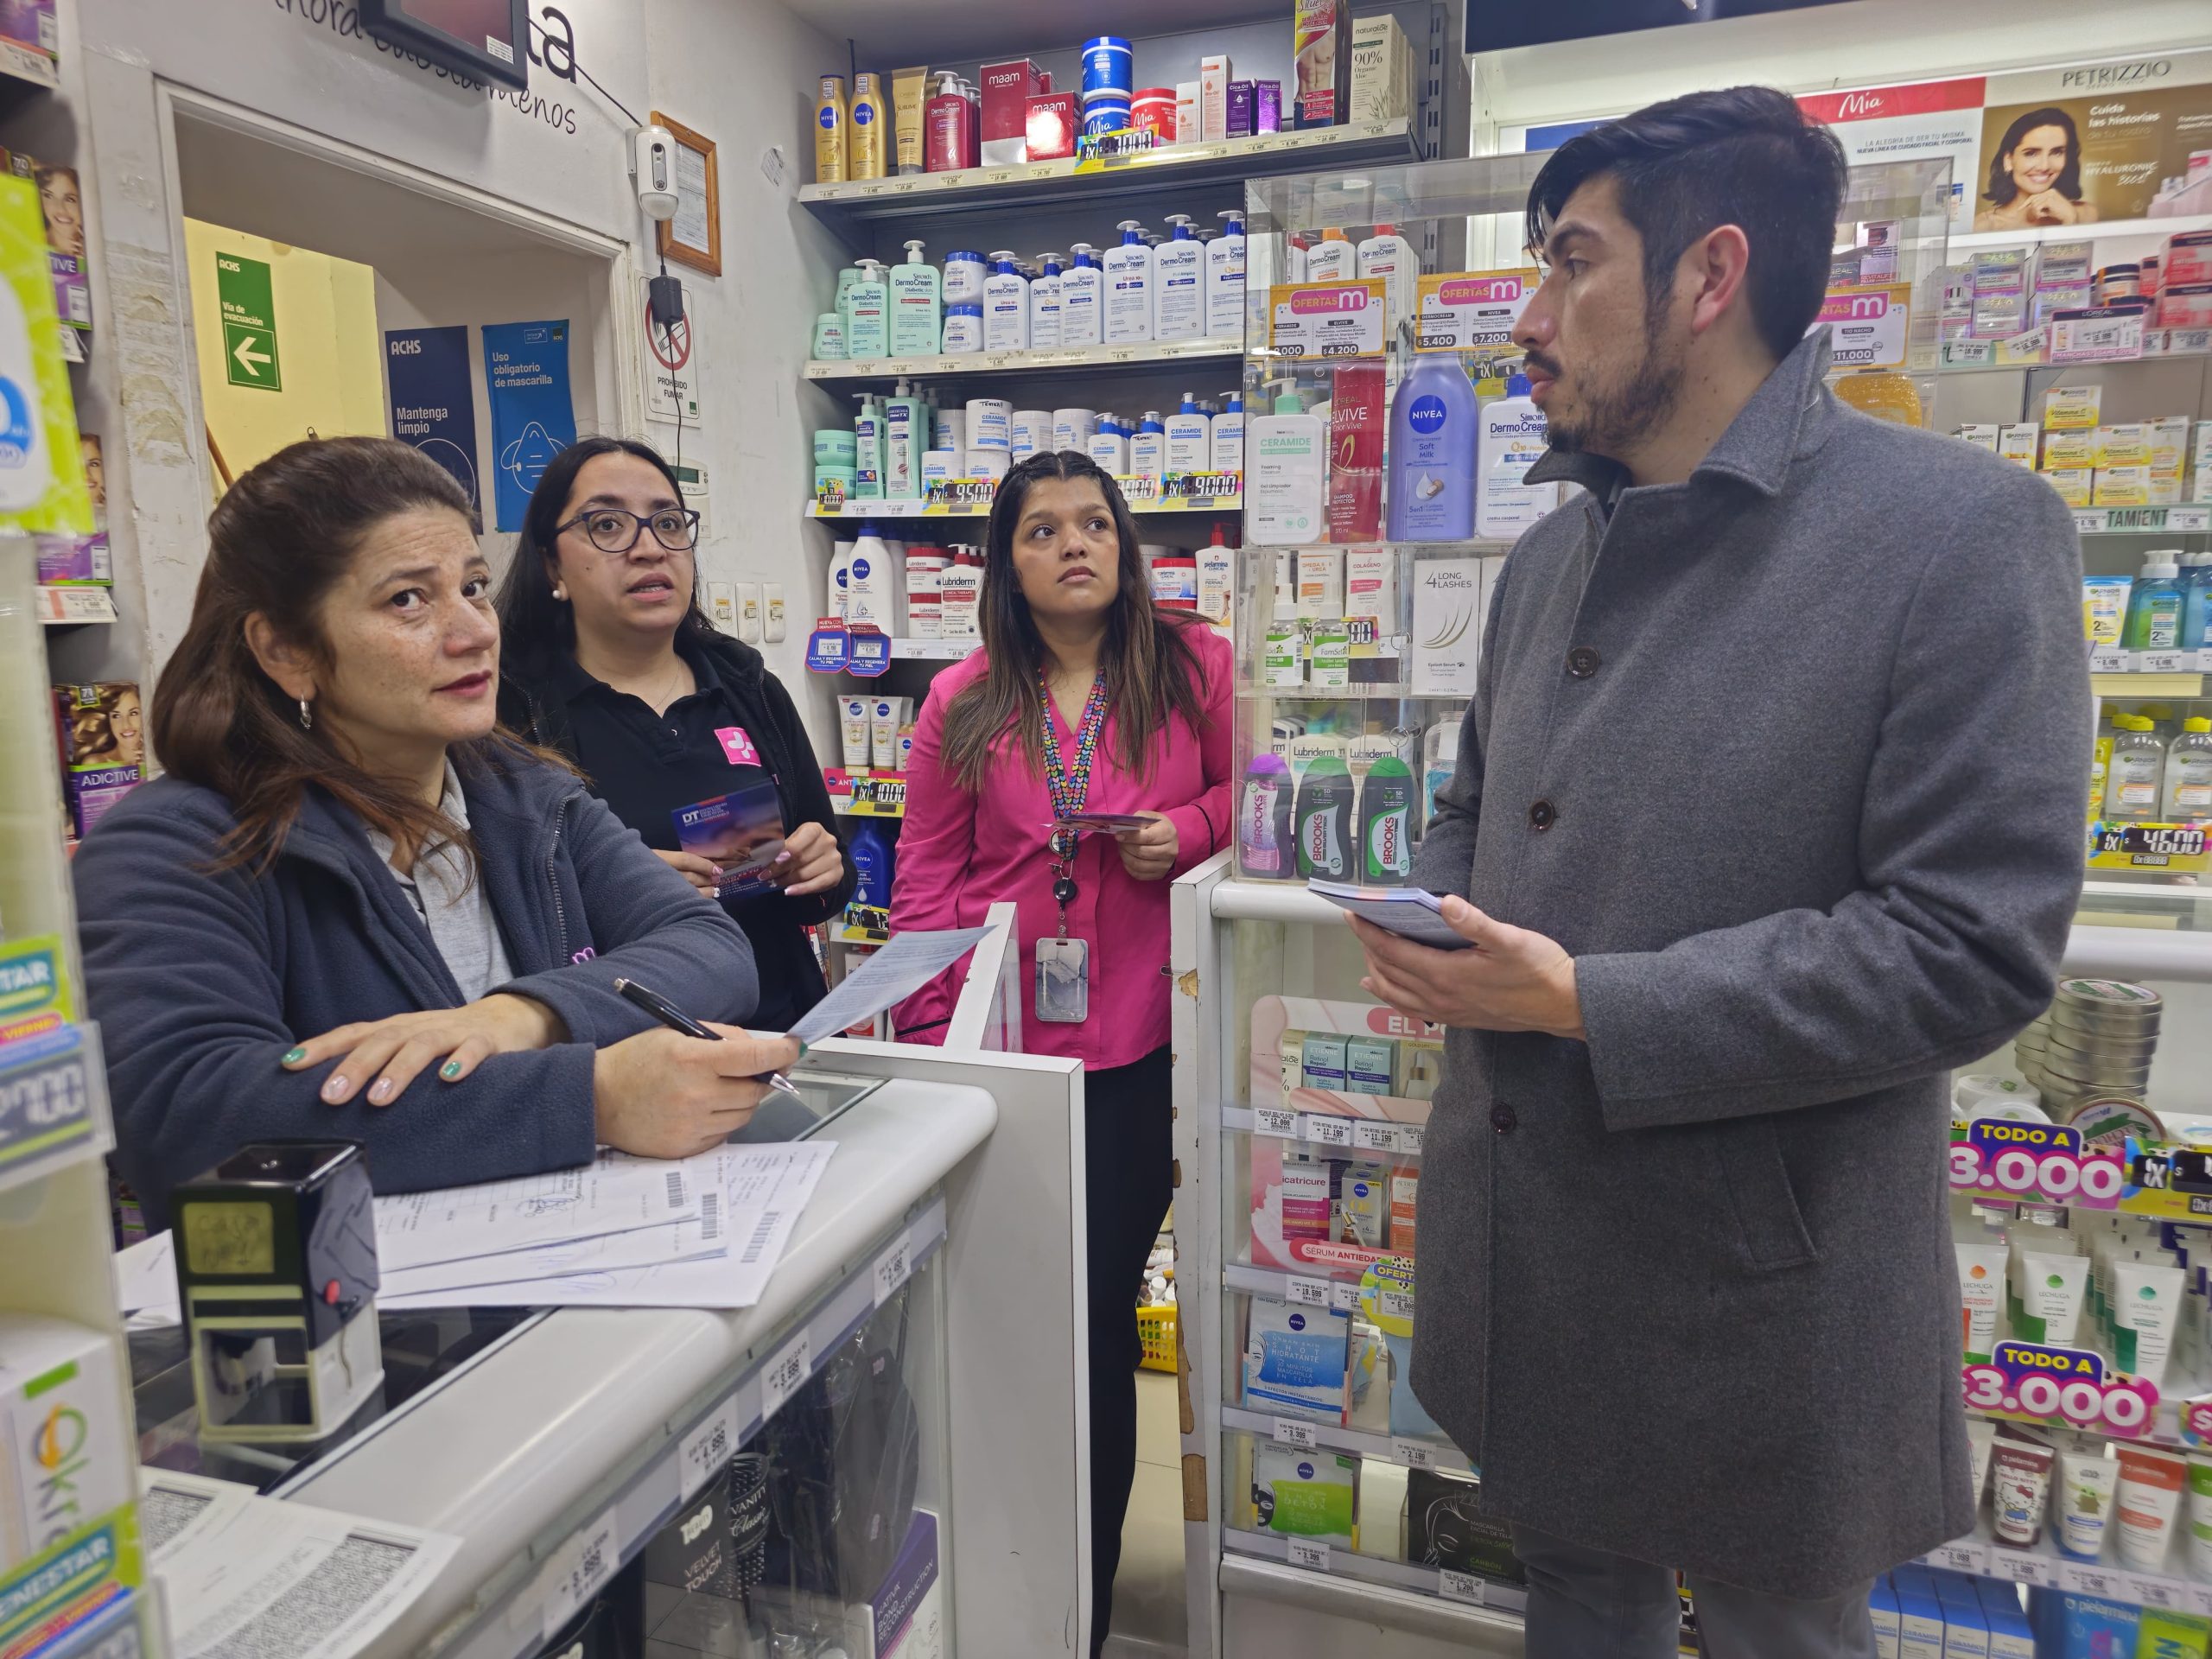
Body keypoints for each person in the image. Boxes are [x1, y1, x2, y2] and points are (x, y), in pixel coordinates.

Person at [1348, 88, 2090, 1658]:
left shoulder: (1960, 534)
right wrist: (1431, 914)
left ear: (1708, 276)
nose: (1527, 322)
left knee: (1785, 1631)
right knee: (1579, 1603)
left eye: (1569, 265)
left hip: (1768, 1279)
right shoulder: (1554, 550)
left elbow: (1970, 944)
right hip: (1536, 1248)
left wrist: (1588, 1005)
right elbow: (1475, 798)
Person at [74, 437, 795, 1232]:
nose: (473, 632)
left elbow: (708, 946)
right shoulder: (178, 844)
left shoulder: (525, 795)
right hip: (355, 1326)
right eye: (408, 601)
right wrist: (591, 1098)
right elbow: (189, 1118)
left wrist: (521, 1017)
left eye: (474, 587)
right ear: (287, 650)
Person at [887, 449, 1230, 1656]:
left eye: (1095, 522)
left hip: (1140, 1052)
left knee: (1090, 1329)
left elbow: (1265, 793)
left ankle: (1072, 1611)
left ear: (1127, 545)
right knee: (1010, 1325)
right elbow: (927, 872)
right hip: (1007, 1060)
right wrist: (935, 1042)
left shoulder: (1194, 669)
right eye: (1042, 529)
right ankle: (1008, 1583)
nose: (1074, 544)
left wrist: (1186, 830)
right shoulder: (961, 699)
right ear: (1008, 560)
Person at [498, 437, 853, 1032]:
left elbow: (829, 880)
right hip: (622, 1056)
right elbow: (506, 916)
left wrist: (822, 870)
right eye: (607, 525)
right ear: (551, 566)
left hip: (778, 1035)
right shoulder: (516, 719)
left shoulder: (749, 689)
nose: (648, 549)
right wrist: (624, 893)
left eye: (667, 522)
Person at [1974, 106, 2098, 231]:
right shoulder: (1984, 225)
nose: (2044, 166)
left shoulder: (2086, 214)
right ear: (2008, 161)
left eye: (2057, 152)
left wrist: (2071, 220)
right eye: (2031, 153)